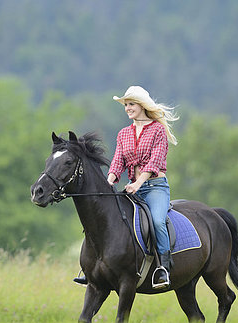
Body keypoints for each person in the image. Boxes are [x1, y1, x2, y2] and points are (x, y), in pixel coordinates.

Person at [74, 85, 179, 289]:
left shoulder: (157, 130)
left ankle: (163, 267)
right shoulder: (123, 134)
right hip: (133, 188)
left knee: (157, 221)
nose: (127, 108)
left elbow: (155, 162)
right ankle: (92, 268)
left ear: (141, 105)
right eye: (126, 105)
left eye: (131, 104)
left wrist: (138, 183)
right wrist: (110, 180)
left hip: (154, 187)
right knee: (106, 220)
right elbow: (117, 162)